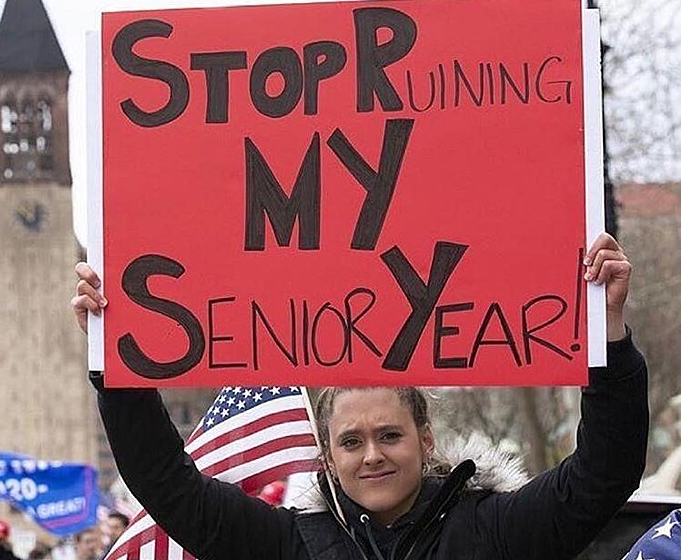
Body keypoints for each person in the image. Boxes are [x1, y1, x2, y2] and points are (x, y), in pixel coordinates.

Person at [71, 233, 649, 560]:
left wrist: (611, 337)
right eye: (352, 441)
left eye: (389, 434)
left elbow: (604, 474)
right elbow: (167, 486)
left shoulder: (495, 529)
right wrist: (116, 362)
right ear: (328, 456)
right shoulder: (290, 543)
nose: (372, 454)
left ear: (424, 439)